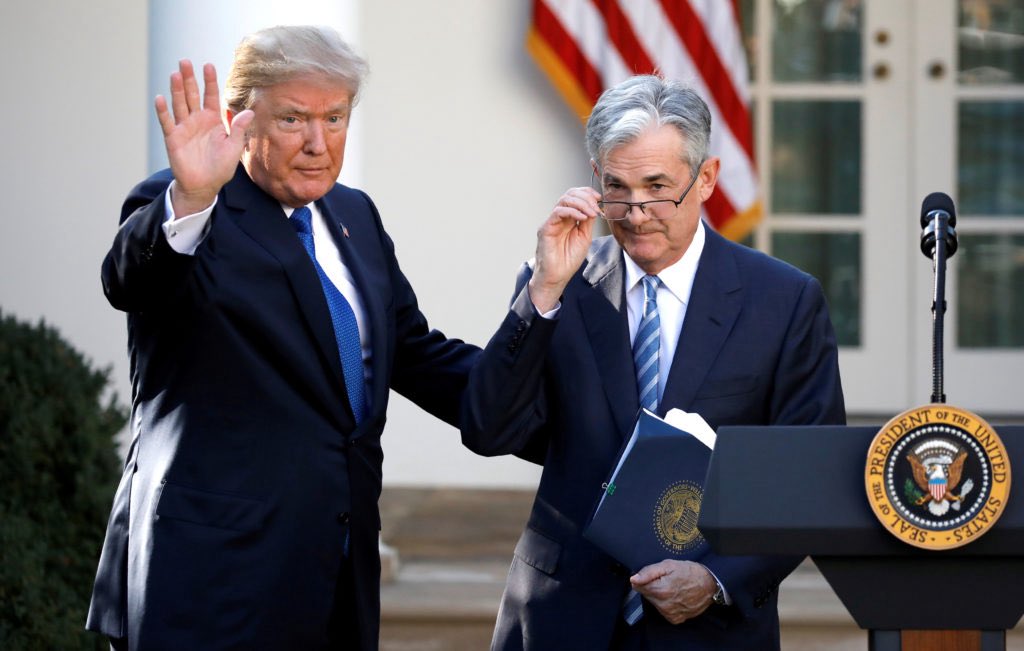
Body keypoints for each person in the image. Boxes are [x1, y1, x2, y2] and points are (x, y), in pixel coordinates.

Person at [87, 25, 478, 651]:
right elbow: (131, 281)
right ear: (243, 119)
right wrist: (189, 195)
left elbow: (412, 352)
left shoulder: (355, 215)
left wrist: (543, 381)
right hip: (210, 577)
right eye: (294, 119)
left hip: (336, 570)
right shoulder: (190, 206)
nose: (318, 143)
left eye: (335, 117)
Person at [462, 75, 846, 650]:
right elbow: (489, 428)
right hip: (562, 619)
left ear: (706, 179)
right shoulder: (558, 283)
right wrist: (541, 293)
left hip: (707, 627)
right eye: (616, 188)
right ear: (595, 180)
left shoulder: (783, 301)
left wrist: (717, 577)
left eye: (657, 187)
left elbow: (810, 475)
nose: (636, 213)